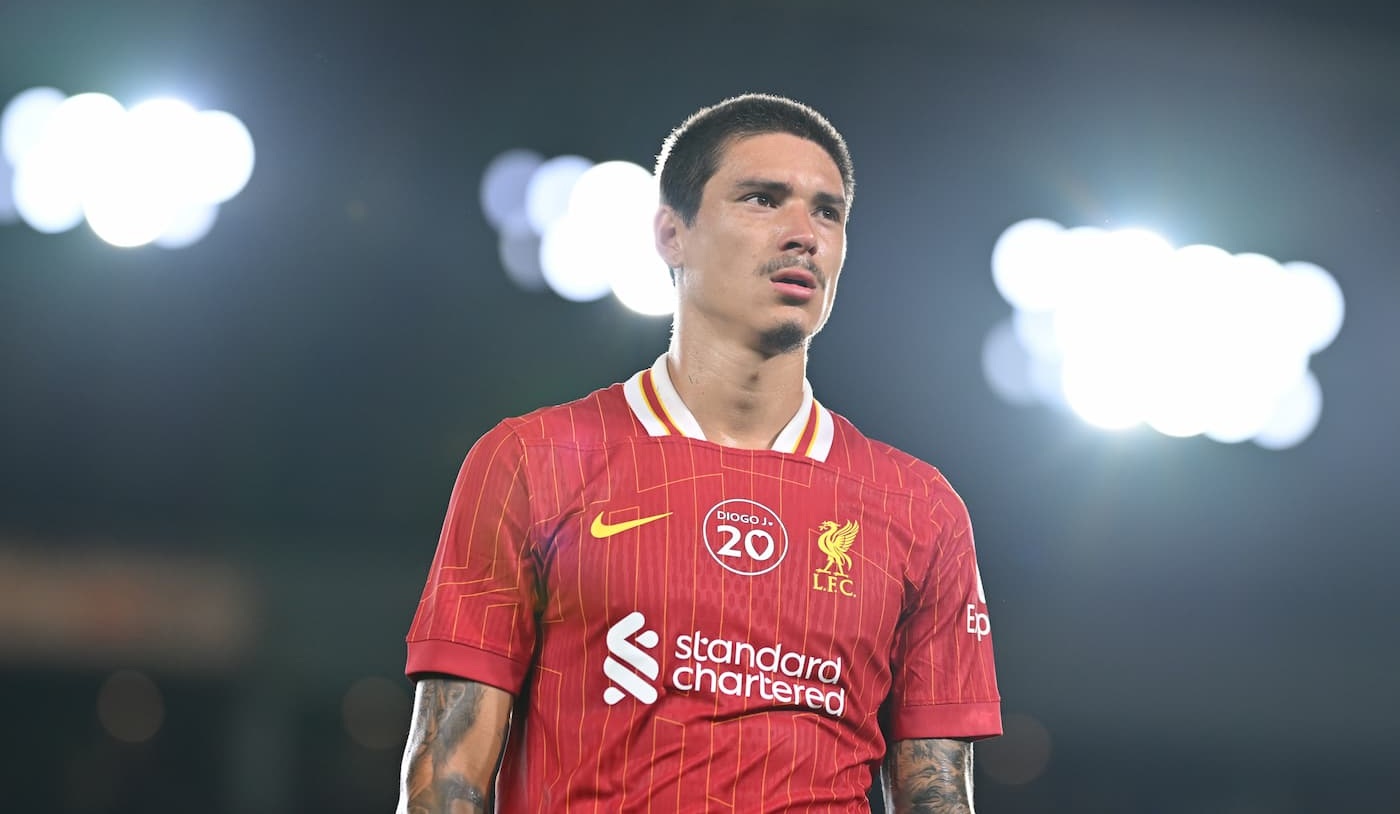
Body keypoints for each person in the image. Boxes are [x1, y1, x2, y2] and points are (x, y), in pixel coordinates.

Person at [398, 93, 1001, 813]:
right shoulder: (530, 461)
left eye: (827, 212)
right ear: (670, 234)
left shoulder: (921, 508)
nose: (803, 235)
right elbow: (446, 782)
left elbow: (939, 795)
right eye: (762, 199)